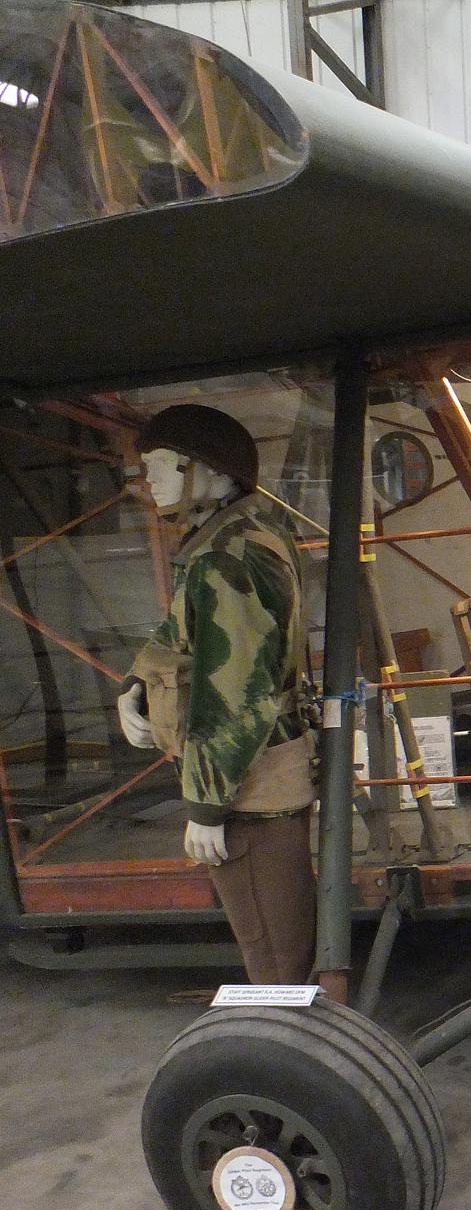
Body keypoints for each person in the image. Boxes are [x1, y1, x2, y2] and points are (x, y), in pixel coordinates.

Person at [116, 405, 336, 998]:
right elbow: (187, 633)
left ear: (208, 473)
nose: (149, 480)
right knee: (278, 935)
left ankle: (283, 1054)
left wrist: (206, 805)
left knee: (273, 953)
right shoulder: (238, 536)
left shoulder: (226, 557)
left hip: (250, 787)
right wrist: (136, 683)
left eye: (161, 465)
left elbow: (235, 691)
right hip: (261, 770)